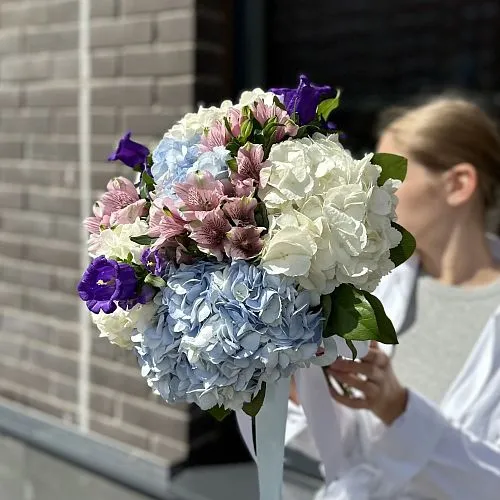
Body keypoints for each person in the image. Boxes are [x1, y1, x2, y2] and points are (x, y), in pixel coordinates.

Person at [239, 96, 500, 499]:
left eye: (390, 174)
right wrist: (299, 389)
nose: (372, 189)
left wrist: (398, 407)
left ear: (458, 184)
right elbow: (350, 451)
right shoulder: (375, 287)